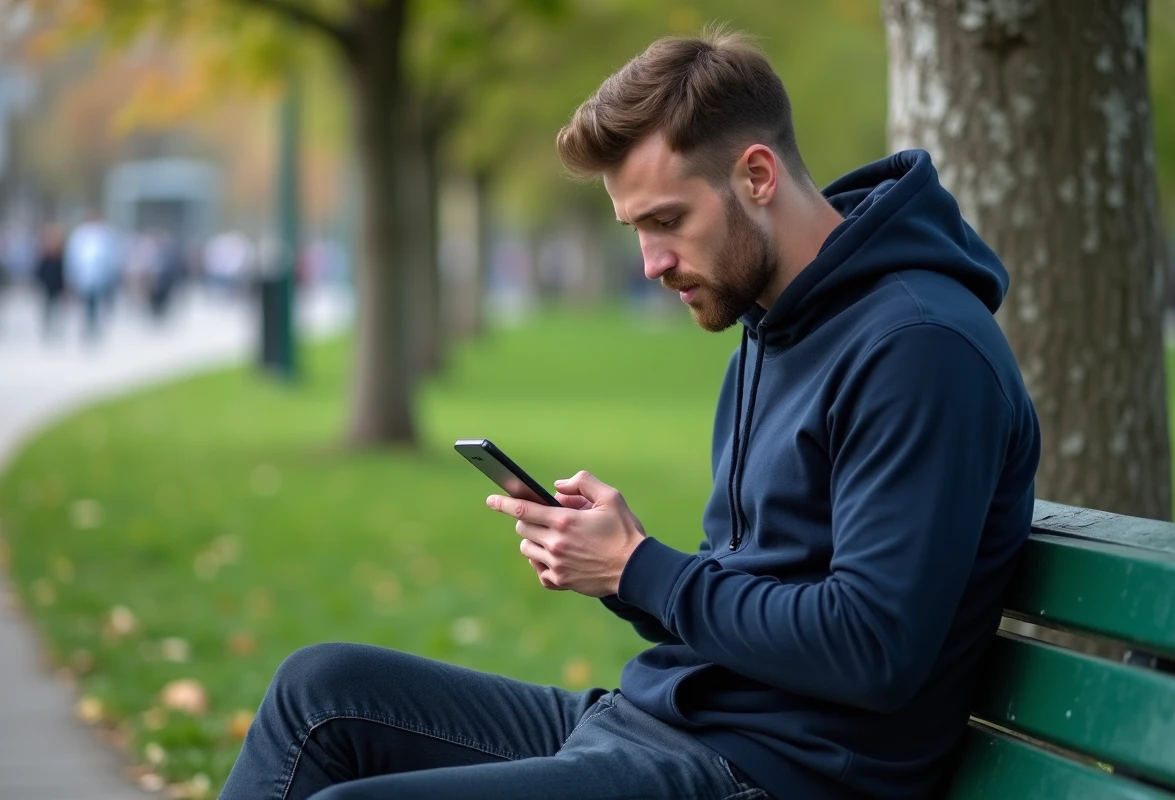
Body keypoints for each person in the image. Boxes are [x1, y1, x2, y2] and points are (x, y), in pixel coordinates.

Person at [220, 29, 1041, 800]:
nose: (651, 263)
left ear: (757, 176)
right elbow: (756, 588)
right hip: (670, 724)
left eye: (667, 221)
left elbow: (871, 647)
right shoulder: (776, 325)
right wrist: (614, 565)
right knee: (318, 691)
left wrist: (641, 567)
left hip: (770, 772)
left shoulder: (919, 349)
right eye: (636, 229)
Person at [64, 211, 120, 342]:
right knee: (87, 302)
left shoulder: (105, 233)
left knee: (97, 302)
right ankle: (89, 325)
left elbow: (111, 255)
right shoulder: (80, 234)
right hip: (84, 275)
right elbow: (73, 256)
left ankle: (94, 325)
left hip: (101, 275)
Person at [34, 222, 67, 339]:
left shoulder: (60, 254)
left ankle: (56, 328)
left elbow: (63, 271)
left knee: (57, 307)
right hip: (48, 284)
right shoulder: (45, 254)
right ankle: (48, 328)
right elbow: (40, 270)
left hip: (57, 285)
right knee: (48, 307)